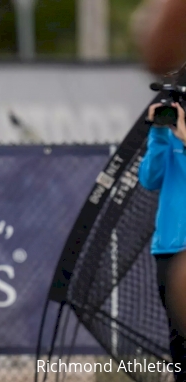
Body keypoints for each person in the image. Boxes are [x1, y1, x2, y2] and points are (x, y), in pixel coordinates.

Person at [138, 101, 186, 382]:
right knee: (178, 333)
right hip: (168, 249)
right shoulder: (167, 137)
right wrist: (157, 134)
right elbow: (149, 179)